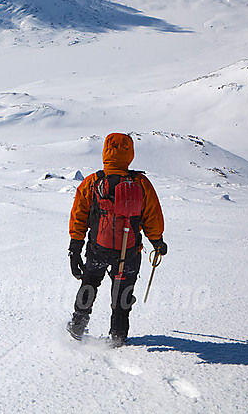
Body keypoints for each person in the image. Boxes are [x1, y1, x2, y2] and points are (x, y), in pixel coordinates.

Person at [66, 133, 166, 346]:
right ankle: (118, 337)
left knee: (90, 283)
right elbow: (152, 216)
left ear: (105, 153)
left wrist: (75, 247)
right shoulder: (141, 183)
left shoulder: (93, 182)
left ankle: (77, 326)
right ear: (130, 154)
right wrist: (157, 242)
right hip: (129, 252)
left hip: (97, 248)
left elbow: (79, 216)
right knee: (123, 292)